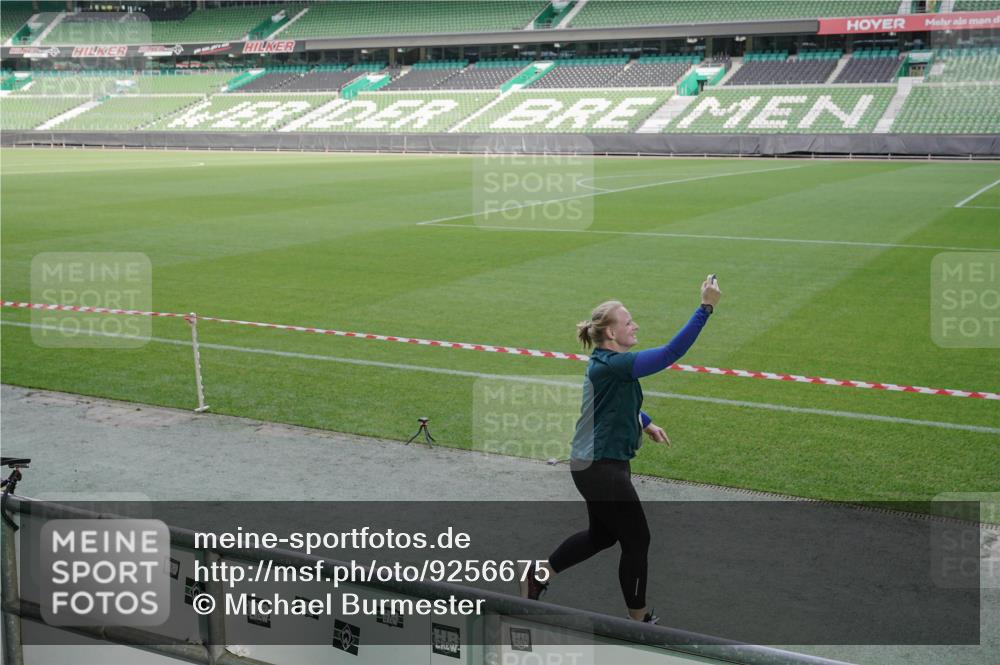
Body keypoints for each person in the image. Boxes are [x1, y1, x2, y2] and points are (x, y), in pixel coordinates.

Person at [520, 275, 721, 624]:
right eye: (629, 322)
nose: (635, 325)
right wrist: (706, 307)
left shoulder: (606, 366)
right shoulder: (614, 365)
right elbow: (671, 353)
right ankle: (639, 620)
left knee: (602, 536)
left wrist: (644, 422)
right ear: (611, 333)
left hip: (597, 466)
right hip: (601, 468)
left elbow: (611, 405)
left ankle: (538, 575)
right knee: (637, 540)